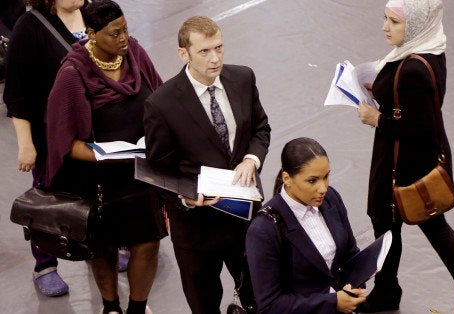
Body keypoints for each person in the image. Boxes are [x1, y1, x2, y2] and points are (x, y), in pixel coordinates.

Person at [143, 15, 271, 314]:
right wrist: (184, 198)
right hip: (197, 229)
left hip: (245, 216)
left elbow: (260, 129)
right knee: (204, 305)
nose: (215, 59)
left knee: (260, 296)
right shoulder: (162, 104)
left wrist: (251, 160)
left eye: (219, 48)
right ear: (183, 54)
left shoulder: (242, 78)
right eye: (204, 51)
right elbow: (158, 169)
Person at [44, 1, 165, 313]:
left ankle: (138, 308)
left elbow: (161, 98)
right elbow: (62, 140)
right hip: (98, 179)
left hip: (140, 171)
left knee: (148, 243)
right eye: (115, 33)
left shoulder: (135, 52)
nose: (124, 38)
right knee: (103, 249)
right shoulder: (72, 74)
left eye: (125, 29)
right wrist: (103, 156)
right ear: (92, 34)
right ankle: (110, 306)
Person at [355, 0, 454, 311]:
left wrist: (376, 118)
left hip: (403, 163)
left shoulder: (411, 69)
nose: (385, 27)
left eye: (394, 21)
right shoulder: (431, 50)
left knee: (394, 222)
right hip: (422, 158)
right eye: (385, 18)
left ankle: (391, 291)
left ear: (416, 25)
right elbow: (417, 107)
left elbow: (417, 126)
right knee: (414, 225)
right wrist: (382, 91)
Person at [3, 0, 86, 297]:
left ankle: (101, 246)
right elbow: (16, 93)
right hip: (50, 134)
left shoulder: (97, 11)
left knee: (102, 194)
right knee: (48, 198)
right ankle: (45, 265)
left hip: (96, 132)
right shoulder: (30, 27)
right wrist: (26, 144)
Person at [246, 137, 367, 314]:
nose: (323, 188)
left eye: (326, 176)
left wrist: (354, 287)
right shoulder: (263, 231)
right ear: (287, 179)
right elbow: (270, 305)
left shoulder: (331, 199)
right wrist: (333, 302)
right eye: (312, 180)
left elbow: (350, 253)